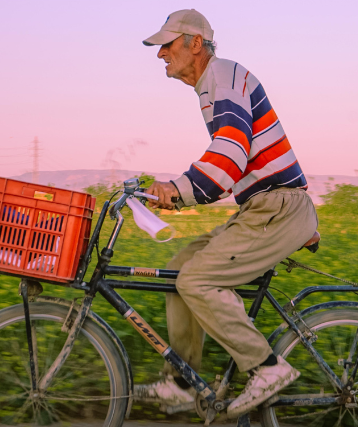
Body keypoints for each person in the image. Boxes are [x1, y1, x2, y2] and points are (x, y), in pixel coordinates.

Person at [138, 9, 318, 417]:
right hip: (261, 208)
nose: (161, 53)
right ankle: (183, 382)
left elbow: (229, 155)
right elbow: (228, 165)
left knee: (197, 280)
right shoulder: (213, 85)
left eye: (168, 44)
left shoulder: (223, 76)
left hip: (277, 208)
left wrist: (179, 189)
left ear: (195, 44)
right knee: (178, 269)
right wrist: (174, 193)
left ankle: (266, 367)